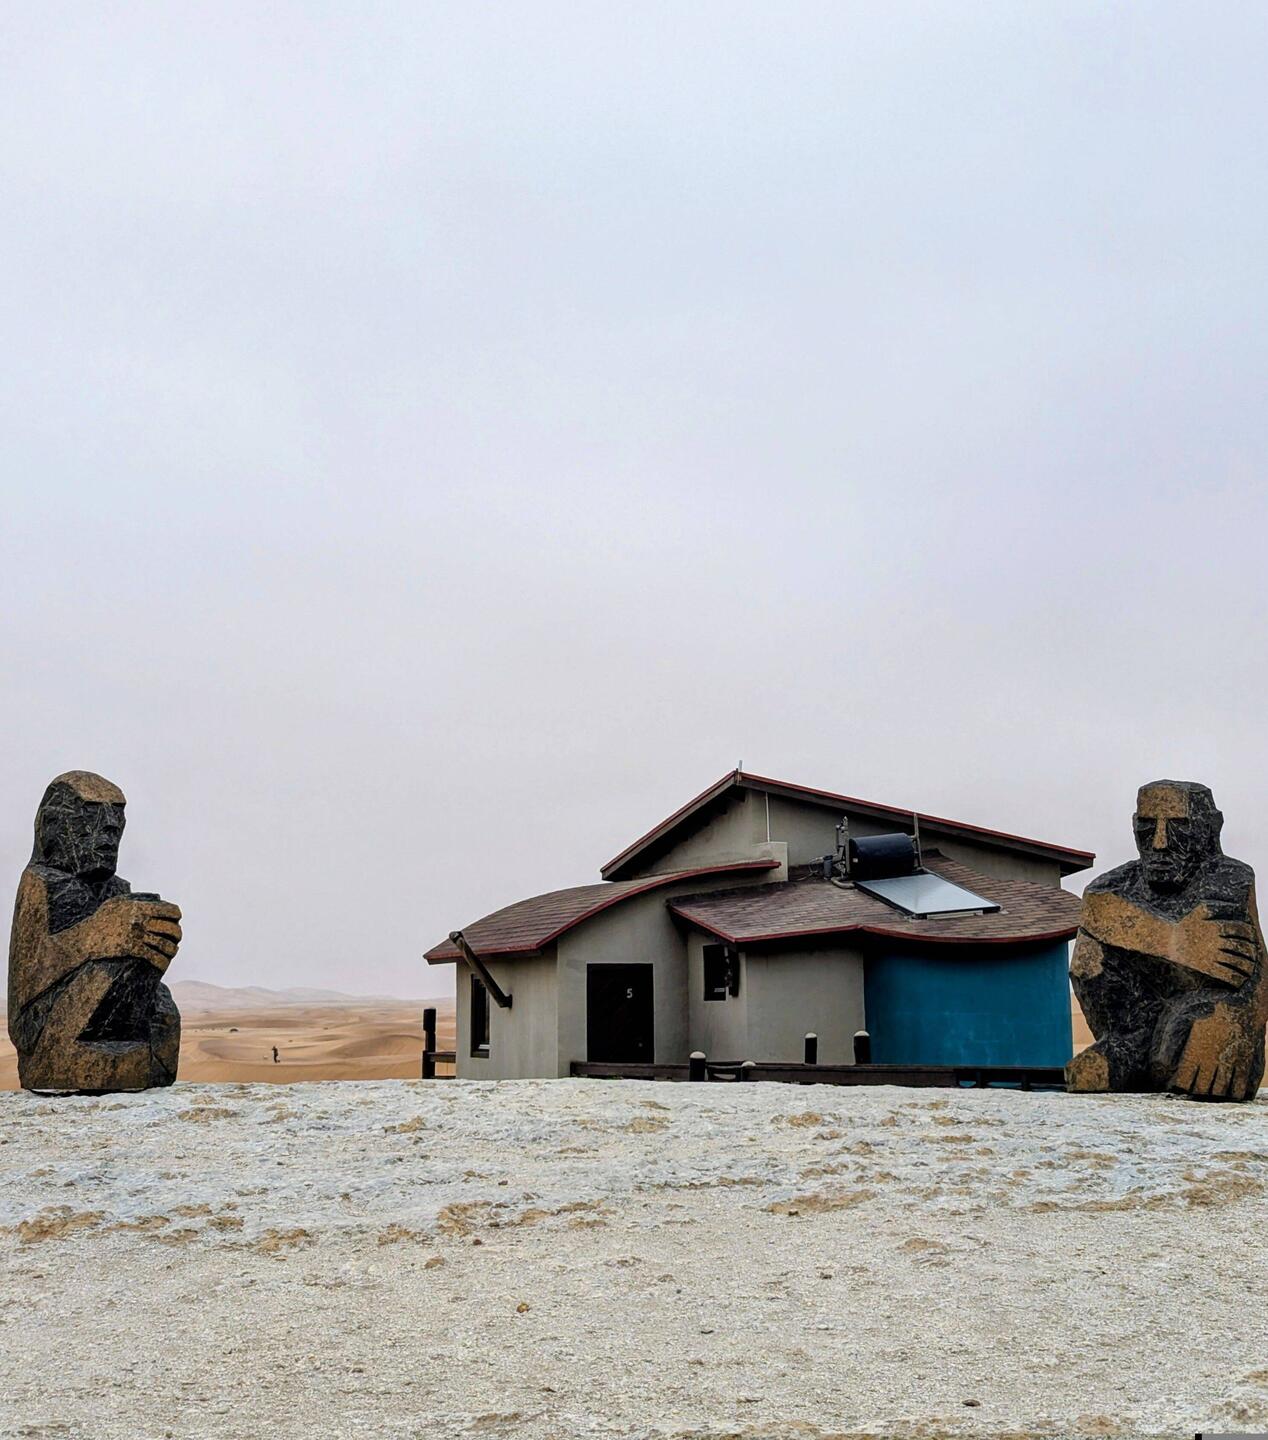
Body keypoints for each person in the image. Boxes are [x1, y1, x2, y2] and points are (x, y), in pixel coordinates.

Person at [1068, 780, 1266, 1101]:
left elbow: (1255, 972)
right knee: (1089, 957)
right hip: (1136, 1021)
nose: (1159, 843)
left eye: (1178, 828)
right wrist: (1173, 939)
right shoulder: (1121, 883)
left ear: (1208, 830)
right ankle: (1130, 1046)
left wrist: (1238, 1023)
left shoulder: (1229, 879)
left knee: (1188, 1036)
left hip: (1203, 1019)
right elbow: (1094, 903)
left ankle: (1148, 1052)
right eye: (1146, 827)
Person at [8, 772, 182, 1092]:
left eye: (117, 815)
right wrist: (95, 934)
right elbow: (29, 981)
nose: (109, 826)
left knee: (162, 1002)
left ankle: (145, 1059)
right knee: (109, 965)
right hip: (48, 1028)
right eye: (90, 813)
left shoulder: (117, 889)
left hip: (110, 1019)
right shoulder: (40, 882)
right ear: (52, 828)